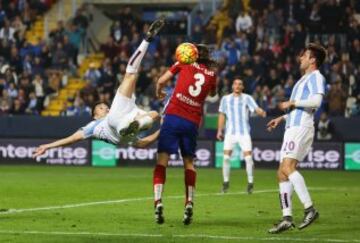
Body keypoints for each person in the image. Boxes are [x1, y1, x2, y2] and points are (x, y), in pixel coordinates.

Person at [33, 17, 166, 158]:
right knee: (130, 75)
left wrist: (162, 130)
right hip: (114, 121)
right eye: (101, 107)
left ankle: (135, 124)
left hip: (125, 129)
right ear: (95, 115)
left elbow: (143, 144)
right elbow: (71, 139)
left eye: (105, 106)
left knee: (155, 115)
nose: (106, 107)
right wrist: (47, 146)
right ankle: (146, 39)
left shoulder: (105, 119)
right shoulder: (94, 126)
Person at [153, 44, 217, 225]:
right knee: (189, 162)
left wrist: (158, 92)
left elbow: (161, 81)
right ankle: (189, 202)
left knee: (162, 160)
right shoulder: (212, 74)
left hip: (173, 116)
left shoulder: (183, 62)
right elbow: (213, 93)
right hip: (192, 121)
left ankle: (158, 201)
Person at [266, 43, 327, 233]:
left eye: (304, 55)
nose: (301, 58)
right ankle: (287, 217)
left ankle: (310, 209)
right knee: (281, 173)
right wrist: (281, 118)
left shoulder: (316, 77)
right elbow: (298, 108)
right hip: (293, 125)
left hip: (302, 127)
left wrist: (293, 102)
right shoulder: (303, 79)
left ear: (313, 60)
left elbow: (316, 102)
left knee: (287, 167)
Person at [216, 78, 266, 194]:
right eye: (235, 84)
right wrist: (219, 130)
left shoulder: (247, 98)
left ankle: (250, 183)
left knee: (248, 158)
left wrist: (261, 112)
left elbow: (256, 108)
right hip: (230, 133)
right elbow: (222, 115)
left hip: (244, 133)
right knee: (226, 158)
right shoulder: (225, 99)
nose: (237, 86)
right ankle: (225, 183)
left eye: (240, 84)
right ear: (232, 86)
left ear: (242, 87)